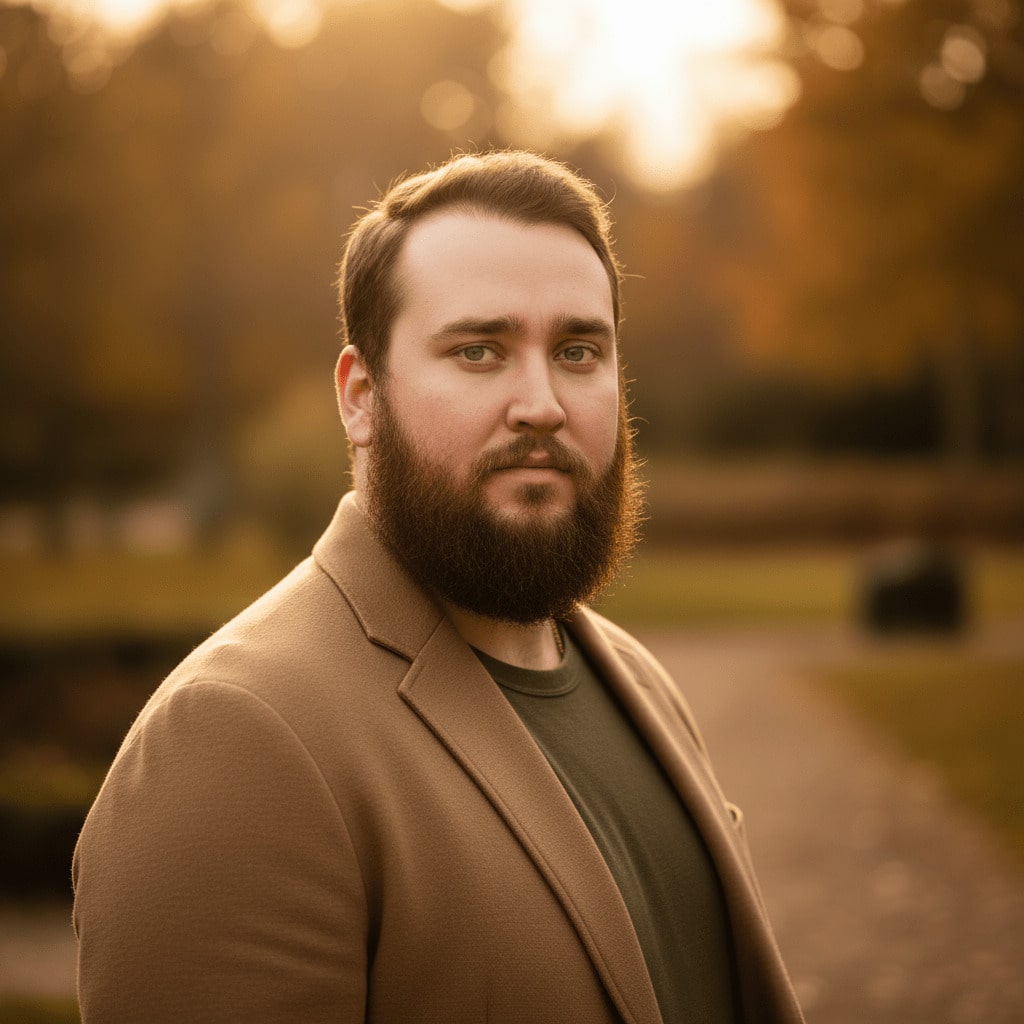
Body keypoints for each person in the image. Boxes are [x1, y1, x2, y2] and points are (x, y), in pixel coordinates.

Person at [73, 150, 804, 1024]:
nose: (542, 402)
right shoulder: (233, 736)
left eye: (578, 350)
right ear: (360, 397)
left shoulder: (642, 686)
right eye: (479, 351)